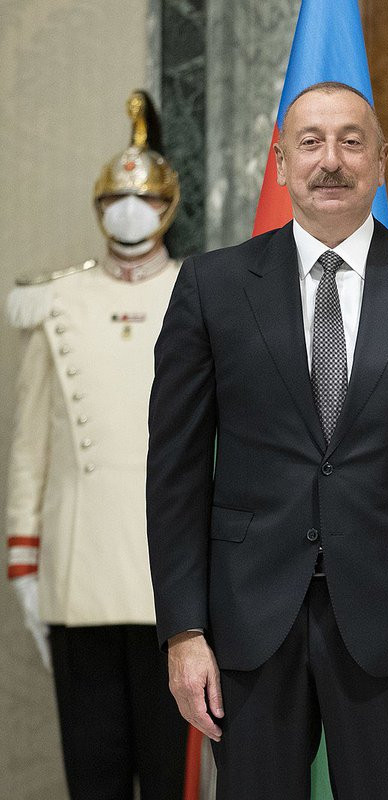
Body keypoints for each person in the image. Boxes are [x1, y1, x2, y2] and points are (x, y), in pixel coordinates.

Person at [146, 81, 388, 799]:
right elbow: (175, 474)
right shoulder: (211, 286)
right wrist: (183, 632)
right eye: (310, 143)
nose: (331, 161)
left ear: (382, 160)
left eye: (352, 142)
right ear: (280, 162)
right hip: (246, 626)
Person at [5, 90, 190, 800]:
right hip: (77, 576)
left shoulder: (200, 294)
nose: (128, 212)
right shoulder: (57, 301)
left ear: (168, 206)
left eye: (143, 199)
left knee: (171, 777)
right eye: (115, 199)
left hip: (175, 582)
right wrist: (24, 559)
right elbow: (31, 447)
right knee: (94, 778)